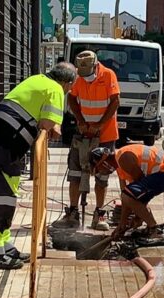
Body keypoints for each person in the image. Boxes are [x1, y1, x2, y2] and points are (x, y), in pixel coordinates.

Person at [0, 62, 77, 270]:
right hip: (4, 141)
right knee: (1, 197)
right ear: (67, 83)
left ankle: (2, 245)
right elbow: (48, 126)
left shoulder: (37, 79)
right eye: (71, 86)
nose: (70, 90)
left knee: (7, 194)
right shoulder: (55, 89)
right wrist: (56, 128)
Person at [53, 50, 120, 231]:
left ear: (96, 66)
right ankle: (73, 212)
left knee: (101, 176)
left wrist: (99, 124)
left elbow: (115, 101)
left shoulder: (108, 75)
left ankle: (99, 214)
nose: (86, 78)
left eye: (89, 74)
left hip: (105, 135)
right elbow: (73, 99)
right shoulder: (78, 77)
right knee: (75, 173)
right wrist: (81, 121)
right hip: (82, 134)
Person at [89, 144, 164, 242]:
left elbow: (139, 195)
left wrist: (138, 216)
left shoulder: (124, 158)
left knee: (129, 195)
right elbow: (128, 198)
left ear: (104, 162)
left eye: (99, 169)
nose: (101, 172)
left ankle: (156, 231)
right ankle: (152, 228)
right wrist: (122, 223)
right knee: (128, 194)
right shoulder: (119, 166)